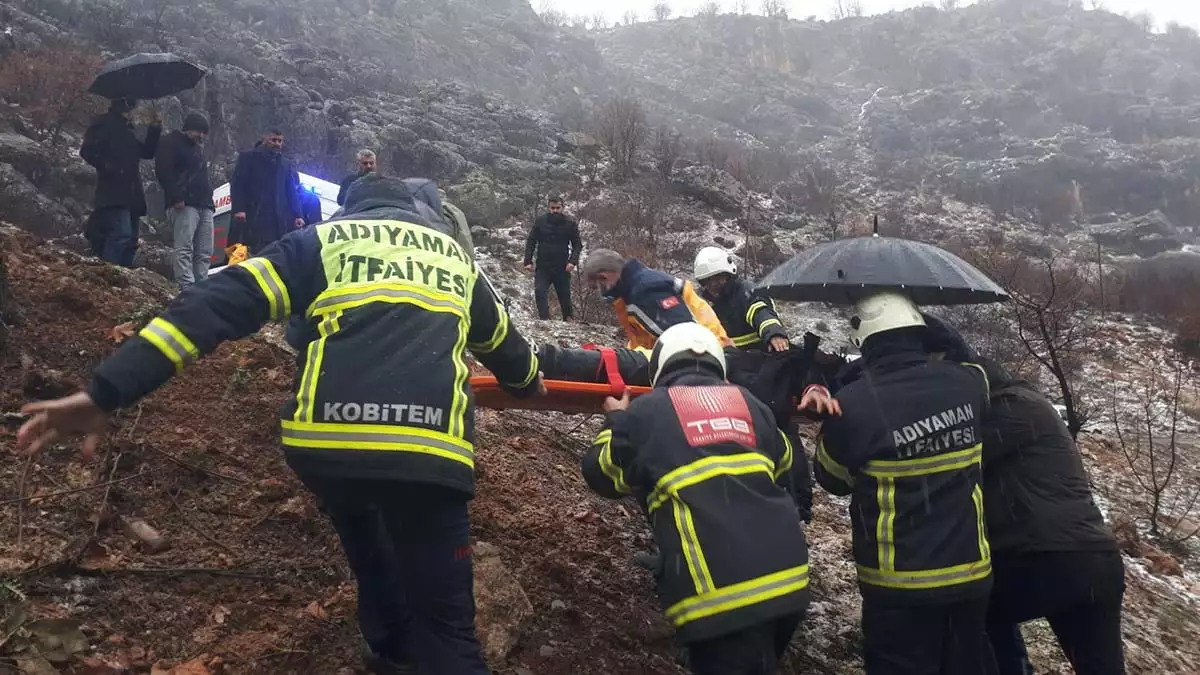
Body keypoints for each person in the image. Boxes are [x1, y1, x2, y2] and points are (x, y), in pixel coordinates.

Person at [17, 175, 546, 675]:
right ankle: (420, 648)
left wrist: (107, 390)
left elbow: (212, 305)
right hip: (431, 448)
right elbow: (509, 352)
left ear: (352, 207)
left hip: (329, 444)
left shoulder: (321, 241)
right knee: (447, 628)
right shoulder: (455, 258)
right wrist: (528, 384)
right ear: (417, 212)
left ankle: (389, 650)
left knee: (366, 535)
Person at [582, 322, 825, 675]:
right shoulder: (752, 405)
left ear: (660, 367)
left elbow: (601, 475)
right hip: (790, 583)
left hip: (720, 600)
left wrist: (615, 422)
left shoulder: (645, 413)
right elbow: (784, 459)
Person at [921, 317, 1125, 675]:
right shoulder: (1028, 402)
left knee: (967, 614)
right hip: (1093, 559)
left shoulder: (1005, 410)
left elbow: (939, 461)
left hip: (1044, 558)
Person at [813, 291, 995, 675]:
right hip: (971, 576)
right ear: (920, 331)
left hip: (899, 587)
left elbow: (831, 479)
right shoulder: (969, 383)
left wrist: (833, 411)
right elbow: (972, 363)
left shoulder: (854, 404)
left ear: (866, 344)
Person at [581, 248, 731, 350]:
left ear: (603, 277)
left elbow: (687, 341)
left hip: (709, 355)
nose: (599, 294)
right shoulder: (633, 291)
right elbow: (646, 340)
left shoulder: (646, 292)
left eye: (596, 287)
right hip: (707, 351)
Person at [80, 98, 162, 268]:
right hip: (114, 191)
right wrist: (109, 166)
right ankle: (108, 273)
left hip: (131, 193)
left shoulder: (127, 131)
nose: (136, 113)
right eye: (134, 108)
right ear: (126, 108)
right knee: (121, 235)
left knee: (131, 240)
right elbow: (87, 151)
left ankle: (123, 277)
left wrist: (154, 129)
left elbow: (147, 152)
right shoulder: (104, 124)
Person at [155, 112, 214, 289]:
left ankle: (201, 287)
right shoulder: (169, 142)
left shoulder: (197, 148)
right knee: (185, 247)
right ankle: (186, 287)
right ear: (188, 128)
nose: (201, 136)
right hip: (183, 203)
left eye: (204, 133)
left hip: (204, 204)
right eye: (199, 132)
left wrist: (210, 202)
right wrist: (176, 196)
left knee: (204, 251)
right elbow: (163, 171)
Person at [693, 246, 789, 352]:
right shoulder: (708, 306)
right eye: (707, 280)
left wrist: (774, 333)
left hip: (760, 358)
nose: (713, 284)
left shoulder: (746, 292)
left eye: (717, 277)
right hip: (730, 363)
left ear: (728, 274)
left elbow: (760, 312)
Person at [229, 129, 304, 253]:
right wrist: (239, 209)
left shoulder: (285, 164)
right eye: (273, 140)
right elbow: (238, 184)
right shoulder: (248, 158)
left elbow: (291, 191)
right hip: (254, 217)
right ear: (264, 140)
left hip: (277, 221)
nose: (277, 144)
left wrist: (298, 215)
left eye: (280, 141)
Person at [523, 196, 582, 321]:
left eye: (558, 208)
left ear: (562, 208)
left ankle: (569, 320)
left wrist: (572, 262)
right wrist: (527, 261)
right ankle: (544, 321)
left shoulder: (570, 223)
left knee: (564, 296)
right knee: (539, 292)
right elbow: (531, 241)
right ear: (548, 208)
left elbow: (577, 245)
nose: (555, 210)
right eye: (552, 208)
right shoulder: (540, 221)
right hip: (543, 266)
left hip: (562, 266)